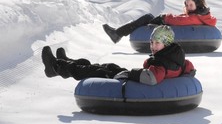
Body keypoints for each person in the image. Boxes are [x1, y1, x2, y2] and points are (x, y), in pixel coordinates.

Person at [42, 25, 196, 85]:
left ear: (167, 44)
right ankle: (68, 62)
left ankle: (56, 67)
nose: (153, 46)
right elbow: (188, 67)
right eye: (152, 42)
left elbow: (152, 78)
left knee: (98, 71)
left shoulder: (161, 63)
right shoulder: (174, 58)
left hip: (130, 82)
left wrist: (132, 74)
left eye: (157, 43)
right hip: (131, 77)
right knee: (109, 66)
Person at [103, 0, 217, 43]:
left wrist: (165, 17)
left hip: (166, 24)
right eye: (187, 5)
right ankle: (118, 33)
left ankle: (117, 34)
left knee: (146, 18)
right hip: (167, 22)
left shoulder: (196, 16)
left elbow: (182, 21)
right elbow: (183, 18)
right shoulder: (200, 15)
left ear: (197, 4)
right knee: (146, 19)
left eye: (191, 5)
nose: (188, 7)